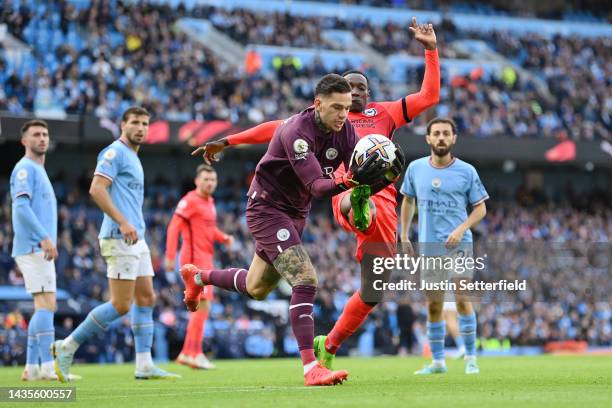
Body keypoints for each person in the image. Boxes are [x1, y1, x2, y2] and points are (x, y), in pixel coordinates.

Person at [192, 17, 439, 368]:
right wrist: (230, 140)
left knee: (369, 288)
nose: (354, 95)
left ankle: (329, 343)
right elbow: (273, 130)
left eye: (360, 89)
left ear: (368, 94)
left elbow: (430, 96)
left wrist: (431, 51)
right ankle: (358, 208)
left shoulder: (381, 114)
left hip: (347, 198)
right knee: (316, 262)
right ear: (326, 101)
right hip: (340, 188)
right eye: (347, 91)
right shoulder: (313, 123)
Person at [181, 74, 393, 386]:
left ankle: (198, 276)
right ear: (318, 104)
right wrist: (349, 181)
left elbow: (354, 169)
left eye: (347, 108)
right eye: (336, 108)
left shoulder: (344, 129)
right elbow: (319, 187)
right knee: (305, 279)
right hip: (267, 208)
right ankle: (311, 368)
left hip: (295, 212)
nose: (343, 115)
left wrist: (375, 178)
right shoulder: (298, 132)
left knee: (257, 287)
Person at [52, 107, 180, 381]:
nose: (141, 128)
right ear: (123, 125)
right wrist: (122, 222)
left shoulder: (133, 156)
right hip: (119, 236)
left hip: (137, 238)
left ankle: (144, 364)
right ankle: (67, 345)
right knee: (121, 304)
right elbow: (96, 189)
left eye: (145, 123)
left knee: (147, 298)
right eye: (135, 122)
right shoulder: (115, 152)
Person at [399, 117, 488, 375]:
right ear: (428, 138)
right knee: (434, 306)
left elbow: (480, 208)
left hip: (460, 244)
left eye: (445, 133)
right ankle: (438, 362)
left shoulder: (467, 171)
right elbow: (407, 201)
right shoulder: (415, 168)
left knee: (461, 299)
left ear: (453, 138)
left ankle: (471, 357)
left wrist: (461, 229)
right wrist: (404, 234)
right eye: (436, 133)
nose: (440, 138)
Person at [165, 164, 234, 369]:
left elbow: (209, 229)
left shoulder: (209, 202)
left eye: (212, 180)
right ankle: (194, 353)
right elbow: (173, 226)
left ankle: (188, 353)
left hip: (205, 259)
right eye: (205, 179)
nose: (209, 183)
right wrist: (170, 256)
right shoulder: (190, 201)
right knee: (202, 307)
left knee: (200, 309)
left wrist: (224, 238)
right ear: (197, 181)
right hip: (193, 261)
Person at [11, 120, 59, 381]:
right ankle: (49, 368)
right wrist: (44, 238)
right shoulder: (24, 169)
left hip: (36, 247)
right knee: (47, 305)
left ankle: (32, 367)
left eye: (45, 134)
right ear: (24, 141)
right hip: (33, 247)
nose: (42, 138)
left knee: (42, 306)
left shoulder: (38, 169)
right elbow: (21, 208)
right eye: (36, 135)